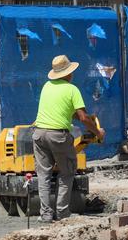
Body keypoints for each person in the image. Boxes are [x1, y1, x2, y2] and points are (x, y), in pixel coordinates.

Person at [33, 55, 105, 223]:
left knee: (43, 175)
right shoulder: (72, 89)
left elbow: (61, 110)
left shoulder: (47, 86)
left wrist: (84, 117)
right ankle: (63, 212)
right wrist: (98, 131)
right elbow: (82, 118)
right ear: (68, 73)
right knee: (67, 172)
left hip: (39, 133)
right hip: (58, 135)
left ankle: (45, 215)